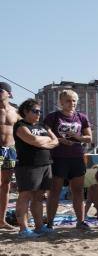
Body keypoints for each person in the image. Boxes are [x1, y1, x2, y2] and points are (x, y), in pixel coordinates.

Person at [43, 89, 93, 231]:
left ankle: (80, 221)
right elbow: (45, 134)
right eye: (68, 100)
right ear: (61, 102)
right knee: (55, 191)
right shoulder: (53, 117)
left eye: (74, 101)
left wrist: (76, 137)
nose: (71, 103)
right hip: (58, 157)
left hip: (76, 157)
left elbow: (89, 138)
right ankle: (50, 223)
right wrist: (60, 140)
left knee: (77, 191)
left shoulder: (81, 117)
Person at [12, 99, 59, 237]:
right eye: (35, 111)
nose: (39, 113)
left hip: (45, 164)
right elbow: (33, 140)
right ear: (26, 111)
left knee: (39, 197)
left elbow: (55, 141)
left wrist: (41, 142)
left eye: (40, 111)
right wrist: (44, 140)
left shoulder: (43, 125)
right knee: (25, 196)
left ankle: (39, 226)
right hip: (28, 165)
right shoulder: (20, 125)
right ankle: (23, 229)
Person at [0, 82, 19, 230]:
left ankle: (2, 220)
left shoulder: (15, 111)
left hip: (10, 149)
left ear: (9, 94)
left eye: (1, 90)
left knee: (6, 185)